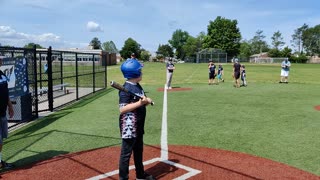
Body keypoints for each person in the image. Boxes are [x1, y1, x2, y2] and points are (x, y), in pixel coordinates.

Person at [118, 58, 154, 180]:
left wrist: (146, 101)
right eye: (140, 70)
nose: (142, 72)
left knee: (138, 151)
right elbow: (122, 109)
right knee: (126, 154)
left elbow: (142, 100)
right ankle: (123, 178)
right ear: (135, 74)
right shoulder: (125, 90)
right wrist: (140, 103)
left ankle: (140, 175)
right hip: (129, 126)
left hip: (138, 124)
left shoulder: (137, 86)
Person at [0, 56, 15, 170]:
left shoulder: (2, 75)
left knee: (1, 140)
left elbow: (6, 93)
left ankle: (0, 161)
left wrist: (10, 106)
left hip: (2, 113)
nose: (0, 60)